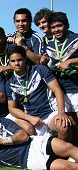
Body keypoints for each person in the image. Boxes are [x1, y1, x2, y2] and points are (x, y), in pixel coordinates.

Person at [0, 105, 78, 170]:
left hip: (33, 143)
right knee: (68, 168)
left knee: (68, 147)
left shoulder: (3, 122)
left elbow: (24, 136)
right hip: (28, 160)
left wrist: (1, 141)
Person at [6, 45, 71, 141]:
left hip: (50, 113)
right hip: (31, 117)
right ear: (9, 62)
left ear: (25, 59)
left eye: (19, 60)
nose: (16, 63)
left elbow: (57, 90)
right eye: (13, 61)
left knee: (63, 127)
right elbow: (12, 108)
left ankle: (63, 153)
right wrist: (29, 118)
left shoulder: (40, 69)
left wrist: (61, 113)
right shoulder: (9, 83)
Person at [45, 12, 78, 144]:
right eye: (53, 27)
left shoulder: (76, 39)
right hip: (60, 90)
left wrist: (71, 61)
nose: (56, 30)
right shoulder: (50, 44)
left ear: (67, 25)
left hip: (76, 87)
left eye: (59, 26)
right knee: (70, 124)